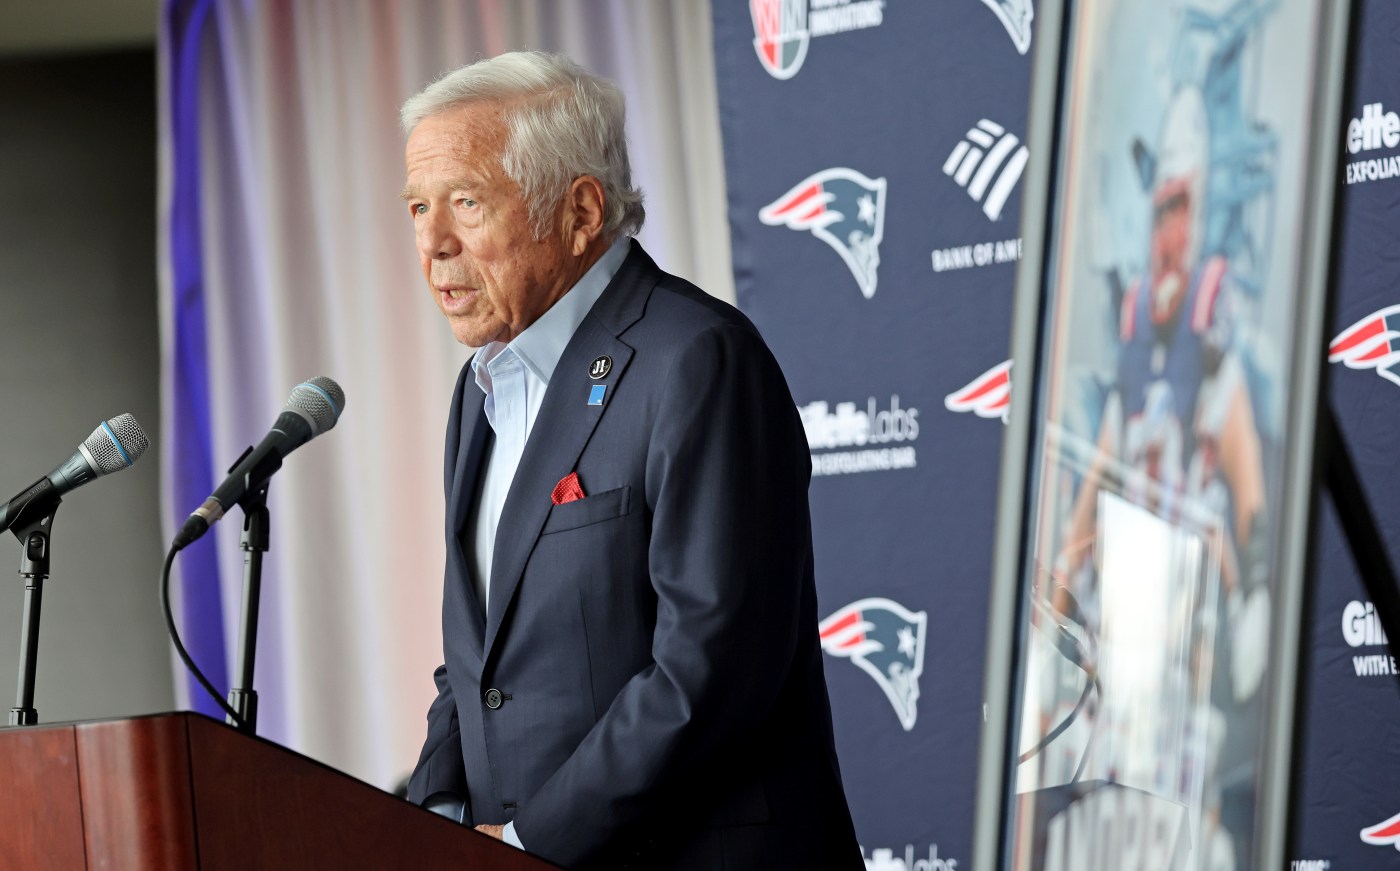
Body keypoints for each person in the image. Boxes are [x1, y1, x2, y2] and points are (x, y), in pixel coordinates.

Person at [398, 51, 861, 870]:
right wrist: (430, 821)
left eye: (466, 202)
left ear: (580, 211)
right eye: (417, 207)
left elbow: (710, 669)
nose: (433, 243)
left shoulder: (698, 360)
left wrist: (530, 844)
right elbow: (476, 663)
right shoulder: (480, 392)